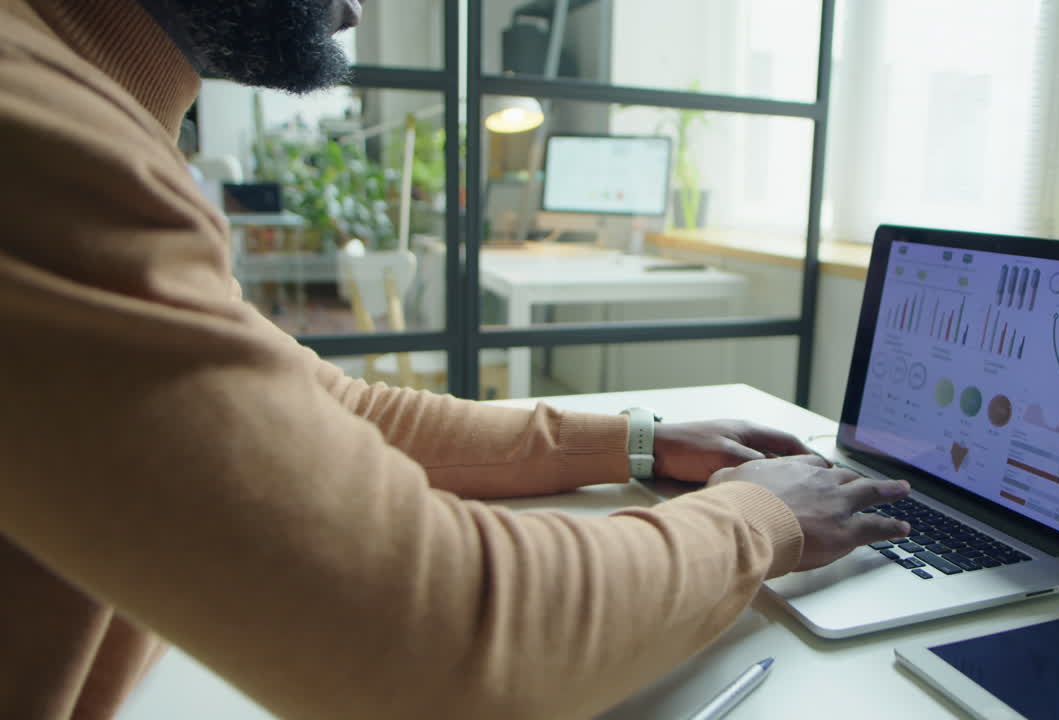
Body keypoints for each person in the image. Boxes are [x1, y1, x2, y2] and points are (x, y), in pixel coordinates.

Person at [0, 1, 912, 718]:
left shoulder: (81, 98)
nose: (360, 9)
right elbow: (444, 642)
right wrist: (759, 520)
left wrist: (637, 441)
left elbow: (323, 406)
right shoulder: (42, 140)